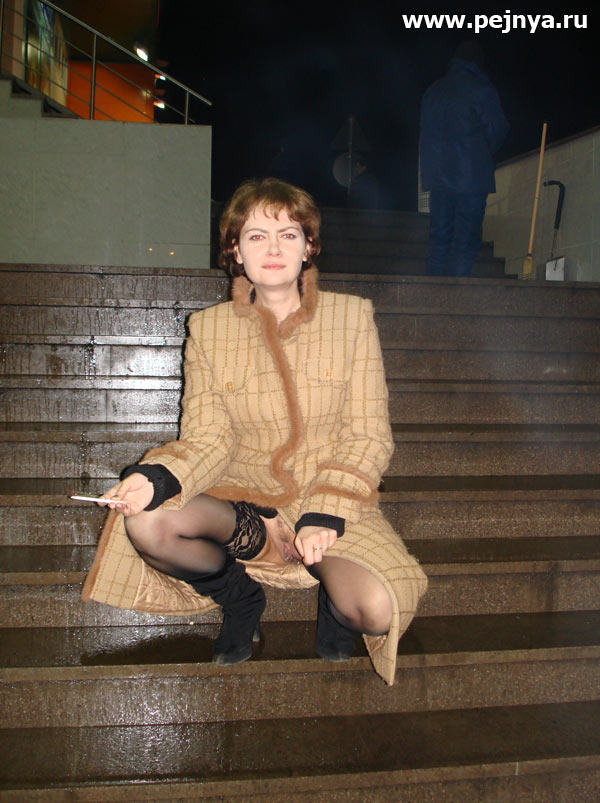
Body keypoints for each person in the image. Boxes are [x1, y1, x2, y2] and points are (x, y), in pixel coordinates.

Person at [82, 178, 427, 685]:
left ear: (308, 248)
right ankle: (240, 599)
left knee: (375, 611)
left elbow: (369, 435)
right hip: (248, 507)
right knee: (149, 522)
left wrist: (326, 513)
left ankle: (333, 598)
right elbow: (208, 437)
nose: (273, 249)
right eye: (257, 236)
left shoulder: (351, 318)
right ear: (236, 252)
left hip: (331, 500)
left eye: (288, 235)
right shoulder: (210, 329)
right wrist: (156, 478)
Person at [419, 40, 508, 277]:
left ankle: (431, 291)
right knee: (465, 239)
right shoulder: (482, 90)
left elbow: (425, 135)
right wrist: (482, 155)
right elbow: (497, 130)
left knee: (439, 239)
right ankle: (457, 292)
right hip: (471, 177)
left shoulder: (433, 92)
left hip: (438, 178)